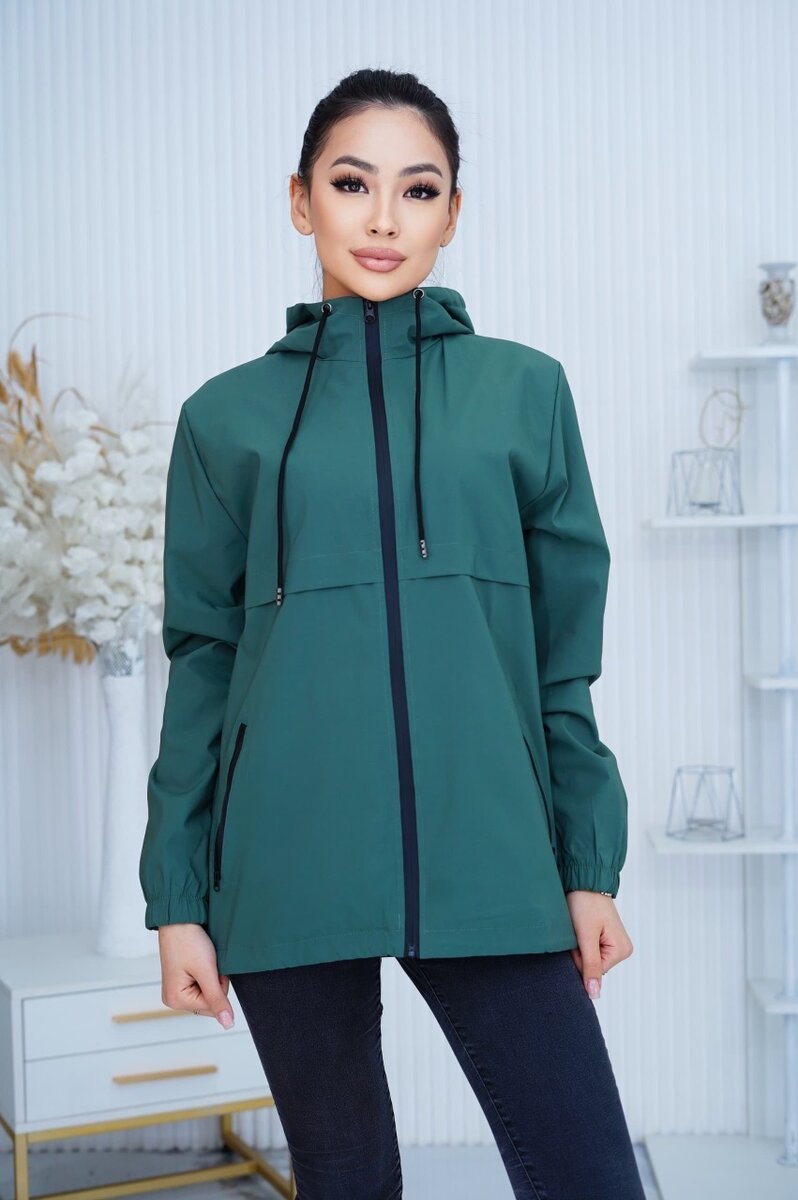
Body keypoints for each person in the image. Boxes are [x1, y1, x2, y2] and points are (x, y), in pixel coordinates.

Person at [139, 67, 646, 1200]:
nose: (382, 218)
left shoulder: (526, 393)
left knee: (588, 1175)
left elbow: (563, 661)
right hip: (285, 862)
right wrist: (177, 899)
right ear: (299, 199)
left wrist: (586, 865)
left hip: (491, 853)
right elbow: (203, 663)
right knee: (349, 1178)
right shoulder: (224, 419)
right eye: (350, 183)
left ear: (452, 213)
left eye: (417, 190)